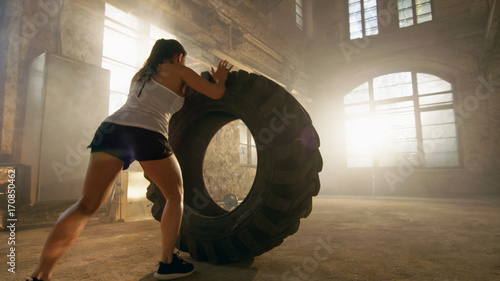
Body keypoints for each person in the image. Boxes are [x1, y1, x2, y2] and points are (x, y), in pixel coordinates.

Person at [27, 39, 233, 281]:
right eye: (184, 58)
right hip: (146, 132)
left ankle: (41, 274)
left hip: (111, 129)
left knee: (85, 205)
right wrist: (220, 77)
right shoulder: (178, 69)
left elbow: (166, 96)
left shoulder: (140, 75)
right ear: (178, 56)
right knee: (174, 195)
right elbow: (216, 93)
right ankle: (167, 263)